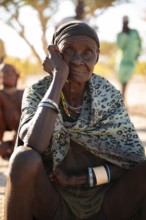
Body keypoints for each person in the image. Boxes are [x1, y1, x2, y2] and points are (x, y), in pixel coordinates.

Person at [4, 21, 146, 220]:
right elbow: (34, 144)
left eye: (88, 52)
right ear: (55, 55)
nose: (78, 60)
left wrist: (80, 178)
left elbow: (130, 160)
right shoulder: (37, 92)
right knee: (23, 158)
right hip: (53, 205)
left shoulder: (108, 95)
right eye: (68, 51)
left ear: (97, 57)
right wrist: (58, 78)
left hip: (106, 206)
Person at [0, 64, 23, 158]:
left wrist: (18, 134)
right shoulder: (1, 95)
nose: (6, 74)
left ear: (16, 76)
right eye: (3, 72)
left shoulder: (24, 93)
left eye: (9, 71)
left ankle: (14, 145)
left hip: (22, 133)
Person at [116, 15, 142, 100]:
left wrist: (137, 55)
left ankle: (123, 97)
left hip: (131, 61)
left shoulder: (135, 32)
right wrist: (124, 34)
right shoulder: (120, 35)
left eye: (126, 21)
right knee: (122, 80)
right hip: (122, 61)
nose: (125, 23)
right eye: (124, 22)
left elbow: (139, 44)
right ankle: (122, 97)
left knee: (125, 81)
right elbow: (120, 46)